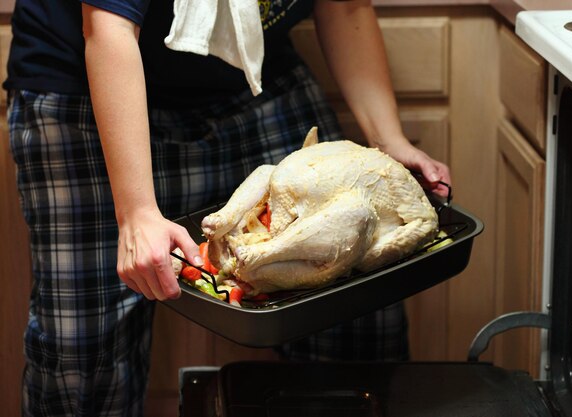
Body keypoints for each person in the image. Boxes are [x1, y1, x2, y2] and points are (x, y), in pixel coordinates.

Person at [4, 0, 451, 415]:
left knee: (356, 321)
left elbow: (345, 4)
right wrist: (137, 213)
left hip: (251, 78)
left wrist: (388, 140)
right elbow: (108, 28)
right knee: (82, 362)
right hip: (86, 88)